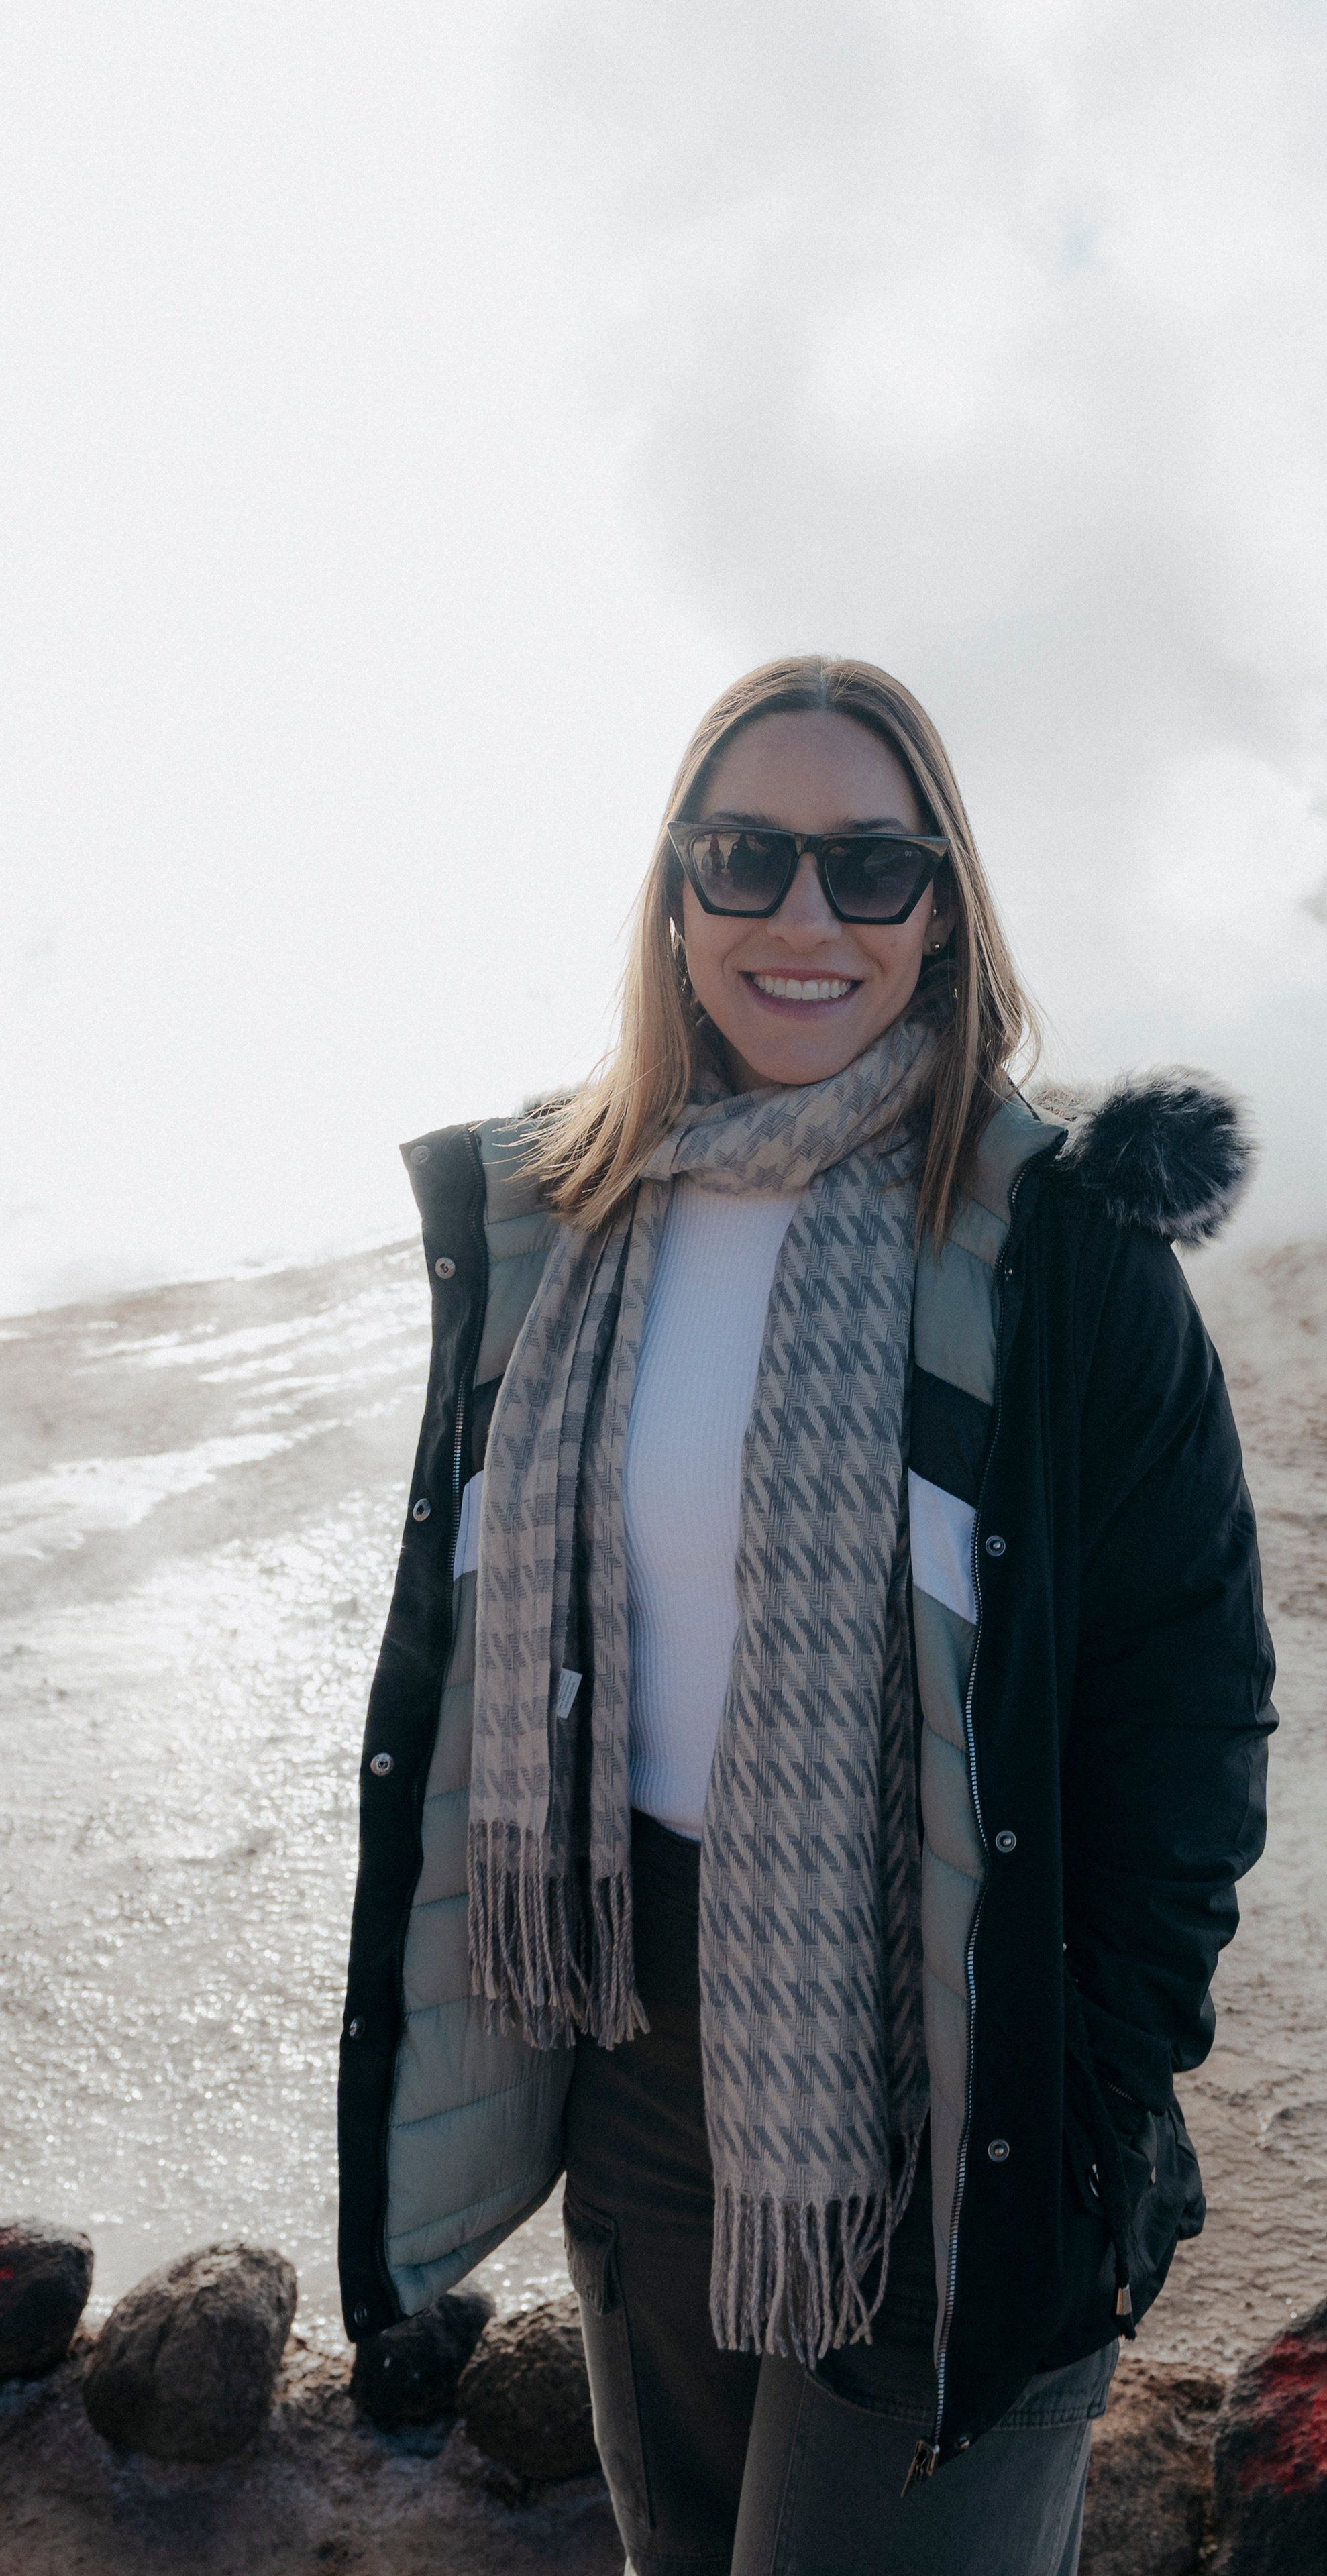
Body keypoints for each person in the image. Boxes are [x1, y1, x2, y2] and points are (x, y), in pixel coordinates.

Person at [338, 655, 1277, 2575]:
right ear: (676, 899)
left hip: (942, 2081)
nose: (802, 918)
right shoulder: (558, 1224)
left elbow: (1189, 1708)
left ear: (945, 912)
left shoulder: (1061, 1252)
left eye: (870, 869)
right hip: (632, 2049)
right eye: (746, 856)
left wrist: (1094, 2082)